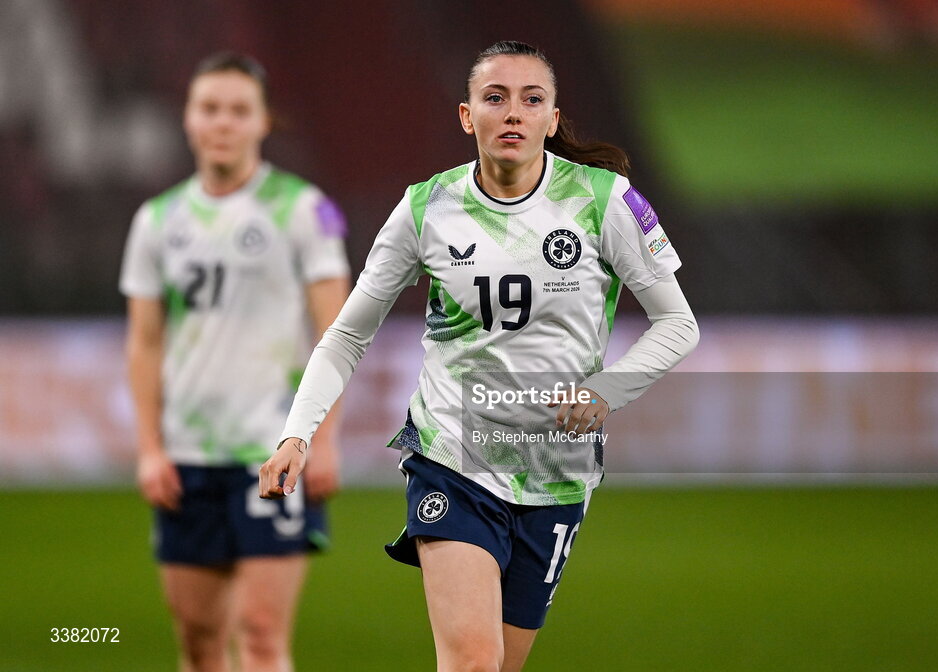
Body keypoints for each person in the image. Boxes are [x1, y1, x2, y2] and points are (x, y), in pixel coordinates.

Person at [260, 40, 698, 672]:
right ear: (468, 116)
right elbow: (348, 333)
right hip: (452, 460)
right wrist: (297, 434)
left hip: (555, 470)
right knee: (471, 662)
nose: (513, 113)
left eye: (531, 99)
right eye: (495, 98)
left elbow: (677, 324)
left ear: (552, 117)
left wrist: (607, 389)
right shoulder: (424, 208)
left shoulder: (606, 202)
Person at [120, 52, 350, 672]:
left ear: (262, 122)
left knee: (259, 633)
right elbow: (144, 341)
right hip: (187, 456)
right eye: (210, 108)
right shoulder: (156, 221)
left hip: (270, 450)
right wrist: (149, 447)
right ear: (189, 120)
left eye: (238, 110)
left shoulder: (304, 209)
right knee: (197, 639)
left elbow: (338, 331)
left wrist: (321, 440)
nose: (223, 122)